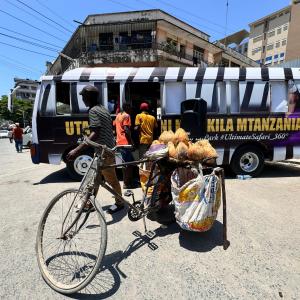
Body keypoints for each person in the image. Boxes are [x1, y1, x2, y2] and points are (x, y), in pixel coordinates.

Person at [66, 85, 124, 214]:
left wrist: (77, 150)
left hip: (104, 152)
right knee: (94, 178)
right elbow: (101, 130)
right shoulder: (104, 109)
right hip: (105, 150)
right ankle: (90, 203)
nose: (83, 99)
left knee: (111, 179)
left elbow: (96, 132)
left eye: (84, 96)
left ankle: (120, 203)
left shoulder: (93, 110)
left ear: (89, 96)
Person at [113, 102, 138, 189]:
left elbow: (114, 126)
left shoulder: (118, 115)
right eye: (130, 107)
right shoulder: (127, 116)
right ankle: (127, 184)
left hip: (119, 143)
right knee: (128, 165)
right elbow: (126, 130)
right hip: (125, 143)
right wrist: (131, 143)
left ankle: (127, 182)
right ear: (127, 107)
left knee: (125, 164)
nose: (131, 109)